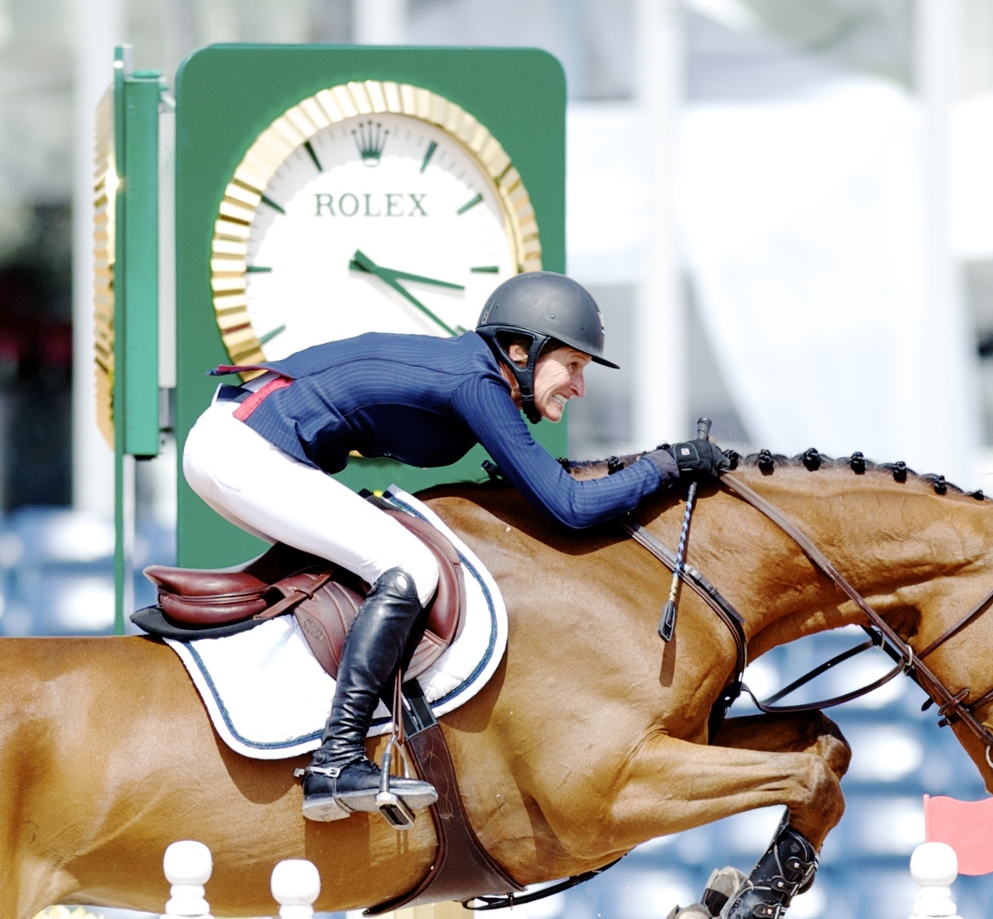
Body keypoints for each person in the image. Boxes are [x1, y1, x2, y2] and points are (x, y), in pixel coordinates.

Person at [183, 271, 729, 823]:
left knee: (385, 557)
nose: (580, 387)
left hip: (240, 442)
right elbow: (570, 507)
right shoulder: (476, 383)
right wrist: (667, 464)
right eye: (573, 365)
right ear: (520, 350)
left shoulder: (472, 372)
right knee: (410, 566)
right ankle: (335, 759)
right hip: (245, 450)